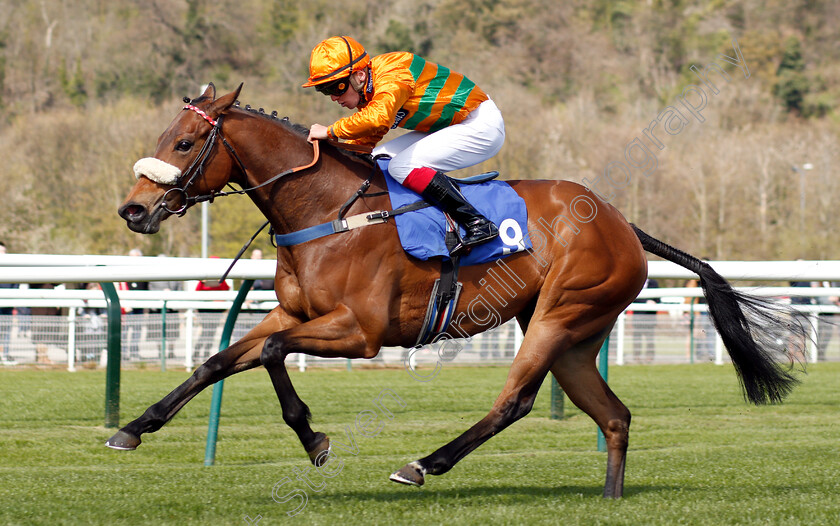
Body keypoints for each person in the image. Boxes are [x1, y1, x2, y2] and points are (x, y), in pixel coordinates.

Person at [303, 36, 505, 255]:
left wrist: (330, 131)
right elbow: (365, 142)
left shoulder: (393, 73)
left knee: (400, 166)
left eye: (337, 87)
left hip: (480, 124)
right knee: (376, 160)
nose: (333, 97)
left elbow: (378, 118)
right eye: (325, 90)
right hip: (450, 126)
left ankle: (476, 222)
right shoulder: (369, 91)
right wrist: (333, 155)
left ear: (359, 76)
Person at [120, 248, 149, 361]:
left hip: (139, 305)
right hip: (127, 306)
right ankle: (123, 352)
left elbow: (146, 288)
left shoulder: (144, 272)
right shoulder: (125, 271)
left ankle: (134, 352)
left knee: (137, 330)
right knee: (125, 330)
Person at [628, 278, 659, 363]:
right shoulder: (636, 281)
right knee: (637, 338)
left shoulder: (654, 283)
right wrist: (646, 301)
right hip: (638, 315)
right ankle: (636, 357)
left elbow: (658, 298)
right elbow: (632, 297)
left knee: (650, 339)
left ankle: (649, 357)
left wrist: (654, 304)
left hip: (650, 316)